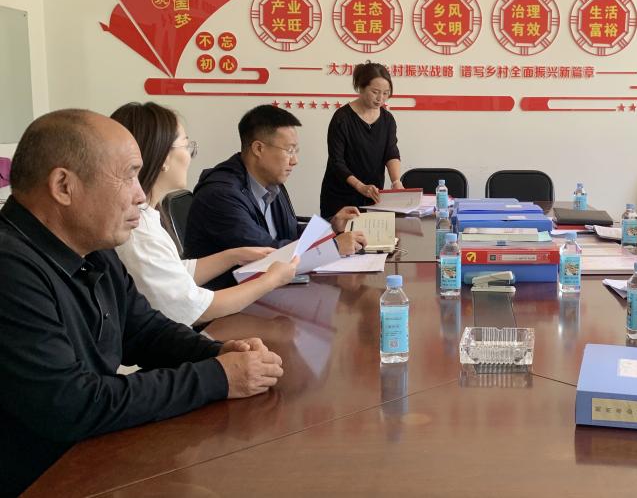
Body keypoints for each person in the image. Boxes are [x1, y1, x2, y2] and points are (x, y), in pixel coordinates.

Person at [0, 110, 285, 495]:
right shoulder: (11, 267)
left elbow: (144, 331)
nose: (140, 194)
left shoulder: (92, 247)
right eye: (129, 175)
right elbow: (71, 404)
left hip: (92, 458)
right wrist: (218, 377)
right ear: (64, 186)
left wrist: (217, 352)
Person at [112, 102, 303, 326]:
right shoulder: (138, 230)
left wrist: (233, 255)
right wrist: (270, 280)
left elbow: (174, 272)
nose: (191, 156)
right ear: (163, 157)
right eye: (186, 146)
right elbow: (194, 310)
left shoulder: (147, 216)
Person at [184, 105, 364, 291]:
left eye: (296, 151)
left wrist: (331, 226)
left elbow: (290, 233)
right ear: (258, 148)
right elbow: (267, 256)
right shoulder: (221, 196)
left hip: (265, 291)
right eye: (289, 150)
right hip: (227, 299)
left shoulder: (271, 183)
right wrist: (333, 247)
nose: (295, 161)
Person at [319, 61, 402, 217]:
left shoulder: (388, 119)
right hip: (340, 197)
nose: (380, 98)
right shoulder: (342, 118)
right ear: (361, 88)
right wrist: (360, 186)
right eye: (375, 92)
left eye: (386, 93)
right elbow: (337, 162)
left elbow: (391, 152)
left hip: (372, 196)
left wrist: (396, 181)